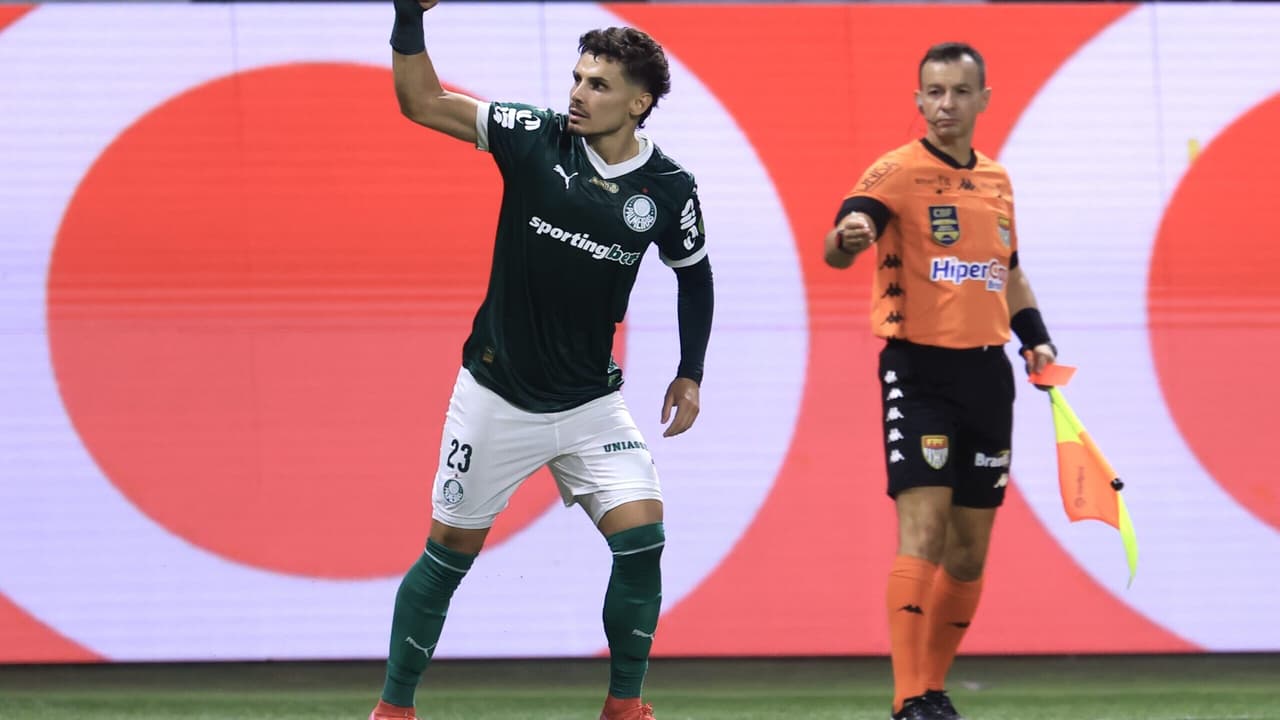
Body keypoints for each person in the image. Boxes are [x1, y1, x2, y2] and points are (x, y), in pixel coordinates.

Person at [369, 2, 714, 719]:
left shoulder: (670, 188)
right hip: (497, 395)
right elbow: (422, 102)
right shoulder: (533, 136)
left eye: (599, 84)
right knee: (448, 553)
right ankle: (393, 709)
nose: (578, 93)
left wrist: (691, 372)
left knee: (643, 540)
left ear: (638, 103)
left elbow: (695, 275)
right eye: (578, 77)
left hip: (590, 404)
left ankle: (625, 707)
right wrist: (408, 17)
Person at [823, 42, 1056, 720]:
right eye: (933, 92)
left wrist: (1036, 339)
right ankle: (908, 700)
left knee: (969, 553)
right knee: (922, 532)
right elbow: (841, 238)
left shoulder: (998, 180)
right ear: (918, 99)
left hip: (989, 374)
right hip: (918, 370)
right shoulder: (897, 171)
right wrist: (850, 235)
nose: (945, 104)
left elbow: (1009, 272)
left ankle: (933, 687)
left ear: (983, 99)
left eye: (958, 91)